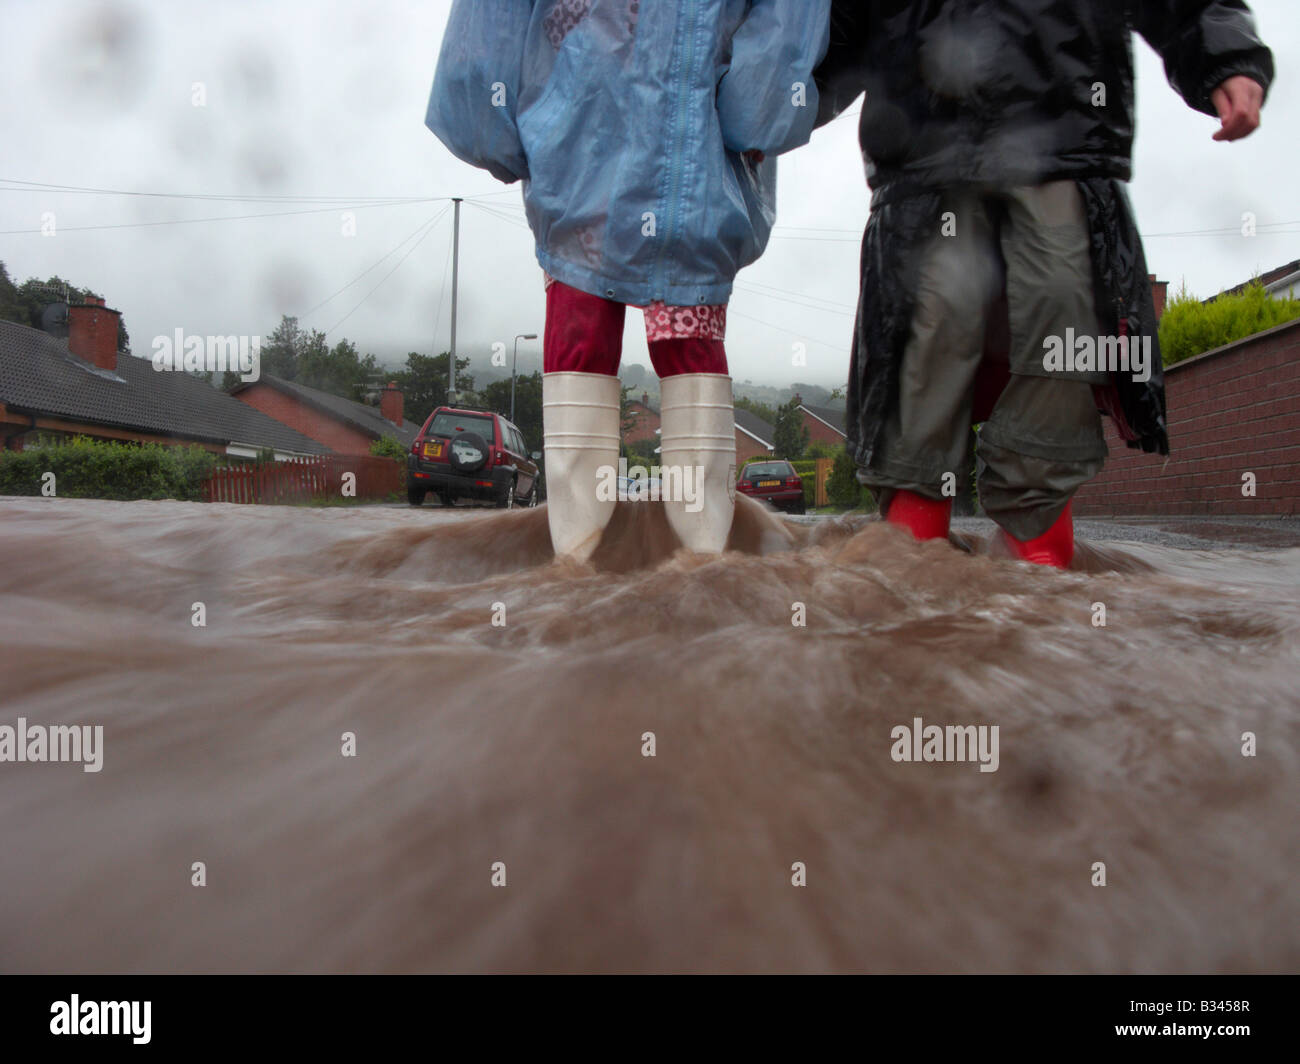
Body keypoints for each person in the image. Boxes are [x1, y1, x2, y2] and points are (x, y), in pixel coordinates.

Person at [815, 1, 1274, 567]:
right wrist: (768, 104)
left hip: (1066, 131)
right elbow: (829, 28)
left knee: (1064, 324)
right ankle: (912, 554)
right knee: (929, 332)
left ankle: (1038, 556)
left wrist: (1226, 58)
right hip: (922, 148)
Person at [427, 0, 830, 560]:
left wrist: (494, 121)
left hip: (620, 149)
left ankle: (594, 567)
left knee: (614, 337)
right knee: (651, 338)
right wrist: (754, 111)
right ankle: (681, 567)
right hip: (643, 152)